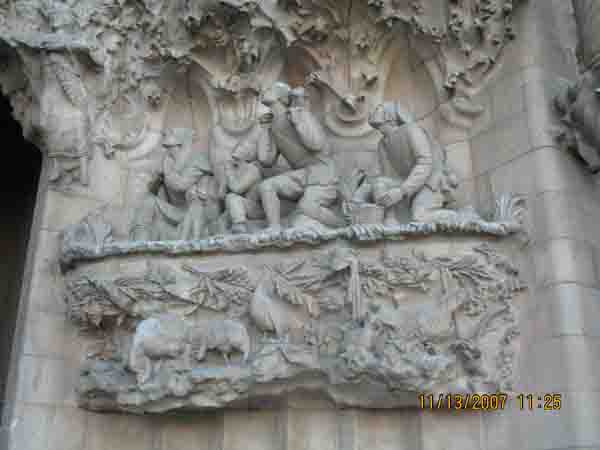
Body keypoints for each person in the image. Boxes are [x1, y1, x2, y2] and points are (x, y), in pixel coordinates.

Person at [255, 82, 344, 230]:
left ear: (281, 97)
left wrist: (298, 122)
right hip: (302, 174)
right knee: (266, 186)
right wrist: (264, 129)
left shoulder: (299, 113)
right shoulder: (273, 125)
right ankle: (274, 228)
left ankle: (343, 225)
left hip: (322, 174)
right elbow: (266, 160)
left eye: (269, 88)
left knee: (306, 208)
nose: (263, 90)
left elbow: (316, 144)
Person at [352, 102, 459, 224]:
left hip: (430, 182)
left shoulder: (411, 130)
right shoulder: (382, 144)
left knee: (419, 217)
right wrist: (358, 197)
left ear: (389, 116)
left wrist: (402, 191)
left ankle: (457, 217)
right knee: (380, 183)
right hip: (406, 182)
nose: (374, 110)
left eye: (378, 108)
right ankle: (390, 218)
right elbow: (386, 176)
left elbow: (425, 162)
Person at [130, 128, 220, 240]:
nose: (168, 150)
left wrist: (167, 172)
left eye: (171, 147)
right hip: (172, 209)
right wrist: (157, 178)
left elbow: (180, 185)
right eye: (167, 147)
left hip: (193, 211)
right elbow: (152, 189)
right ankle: (139, 241)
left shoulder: (198, 160)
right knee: (148, 201)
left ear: (181, 146)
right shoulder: (167, 162)